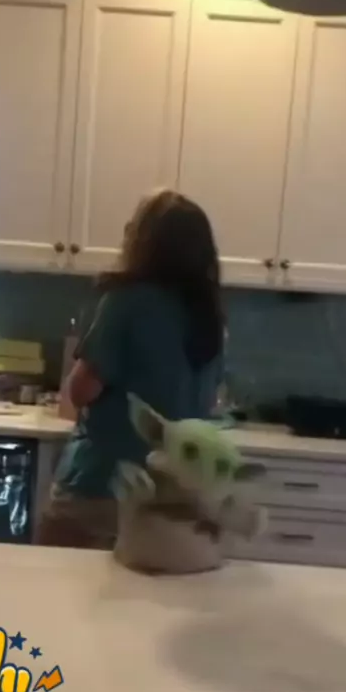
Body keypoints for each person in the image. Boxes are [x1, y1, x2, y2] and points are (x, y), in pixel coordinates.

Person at [38, 188, 225, 548]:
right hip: (175, 493)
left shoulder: (126, 300)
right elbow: (209, 400)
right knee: (146, 581)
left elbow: (82, 391)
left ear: (143, 242)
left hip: (106, 485)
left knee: (61, 578)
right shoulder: (209, 314)